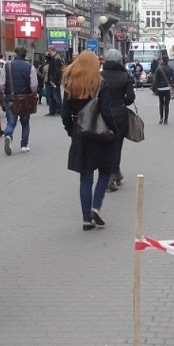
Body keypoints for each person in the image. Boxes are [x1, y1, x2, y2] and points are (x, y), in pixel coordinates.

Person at [61, 50, 116, 230]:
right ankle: (96, 206)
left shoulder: (70, 85)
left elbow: (64, 114)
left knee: (85, 177)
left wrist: (72, 131)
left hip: (80, 134)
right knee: (105, 171)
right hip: (99, 134)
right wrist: (113, 130)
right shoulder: (100, 84)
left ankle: (86, 219)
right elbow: (107, 113)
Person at [101, 48, 136, 190]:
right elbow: (130, 98)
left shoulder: (100, 75)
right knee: (116, 145)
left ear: (106, 60)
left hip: (103, 114)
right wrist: (122, 102)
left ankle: (111, 173)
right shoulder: (125, 76)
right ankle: (113, 174)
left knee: (104, 145)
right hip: (120, 115)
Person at [0, 46, 38, 155]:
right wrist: (32, 92)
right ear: (25, 55)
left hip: (11, 98)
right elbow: (34, 85)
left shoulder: (6, 66)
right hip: (25, 98)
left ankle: (8, 135)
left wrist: (5, 92)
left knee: (11, 121)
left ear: (15, 54)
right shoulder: (30, 67)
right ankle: (24, 145)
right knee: (25, 122)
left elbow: (2, 84)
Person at [151, 50, 174, 124]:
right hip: (167, 88)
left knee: (161, 103)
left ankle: (161, 118)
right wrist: (171, 85)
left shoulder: (159, 69)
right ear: (168, 61)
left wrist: (155, 87)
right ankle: (166, 120)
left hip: (160, 88)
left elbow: (156, 80)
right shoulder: (170, 69)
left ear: (162, 60)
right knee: (167, 104)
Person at [44, 47, 64, 116]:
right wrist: (47, 56)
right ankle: (52, 110)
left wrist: (54, 80)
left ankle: (59, 110)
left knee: (56, 95)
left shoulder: (56, 58)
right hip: (52, 80)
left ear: (50, 50)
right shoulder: (54, 57)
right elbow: (50, 62)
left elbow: (57, 71)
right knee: (52, 96)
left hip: (54, 80)